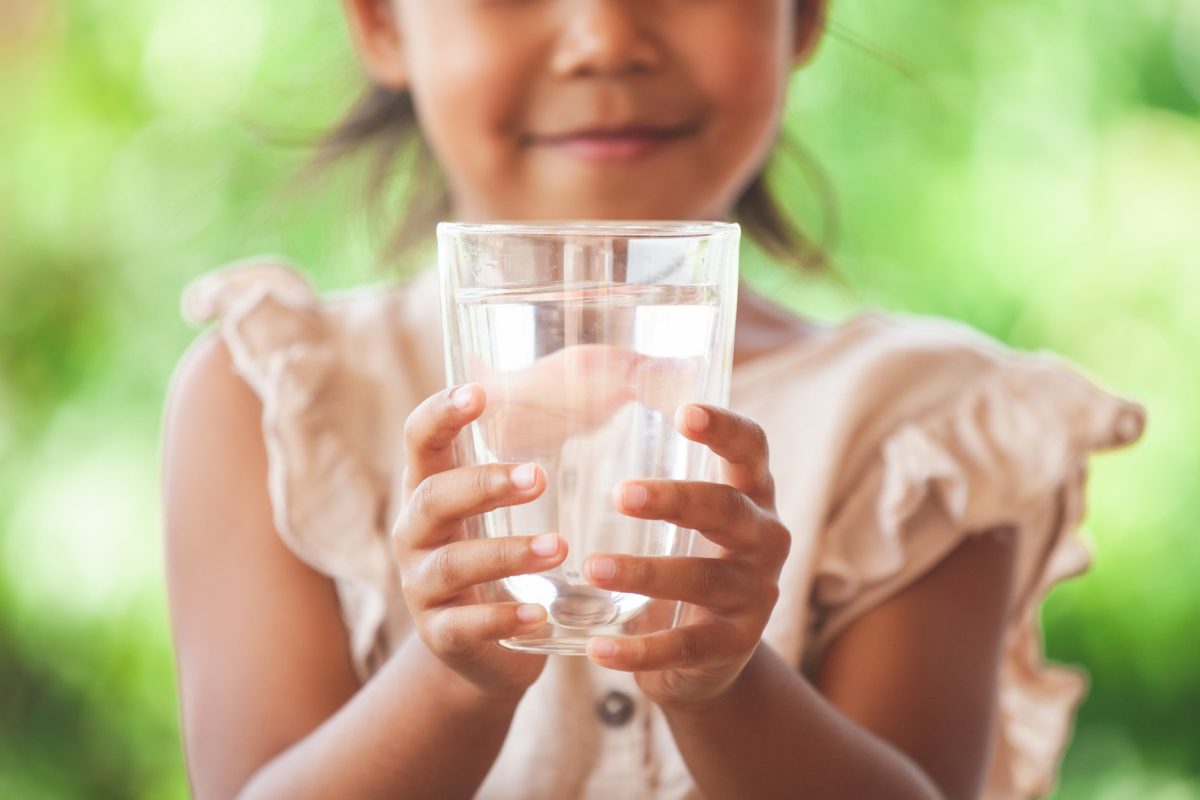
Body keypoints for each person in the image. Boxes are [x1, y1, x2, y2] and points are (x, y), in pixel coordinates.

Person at [160, 2, 1146, 798]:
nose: (605, 37)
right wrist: (452, 677)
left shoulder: (927, 432)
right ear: (381, 21)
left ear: (802, 16)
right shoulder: (273, 402)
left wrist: (722, 686)